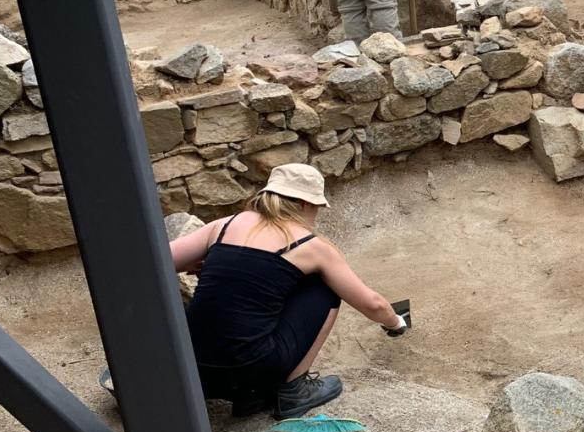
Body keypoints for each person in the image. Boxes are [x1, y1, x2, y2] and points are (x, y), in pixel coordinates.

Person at [172, 164, 407, 418]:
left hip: (194, 372)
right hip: (249, 370)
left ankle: (252, 398)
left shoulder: (226, 225)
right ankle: (294, 390)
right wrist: (396, 324)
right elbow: (372, 304)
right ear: (306, 204)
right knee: (323, 288)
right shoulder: (310, 246)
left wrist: (202, 263)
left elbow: (159, 259)